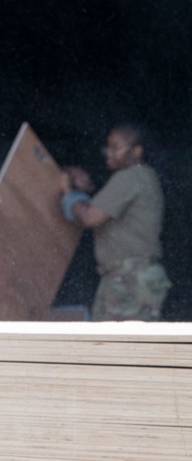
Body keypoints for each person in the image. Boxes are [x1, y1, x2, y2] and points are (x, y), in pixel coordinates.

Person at [60, 123, 170, 321]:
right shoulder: (144, 176)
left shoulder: (130, 177)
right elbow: (104, 209)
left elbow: (90, 217)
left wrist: (69, 193)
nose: (108, 152)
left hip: (128, 279)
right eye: (107, 146)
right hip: (131, 277)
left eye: (116, 147)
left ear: (137, 151)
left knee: (115, 346)